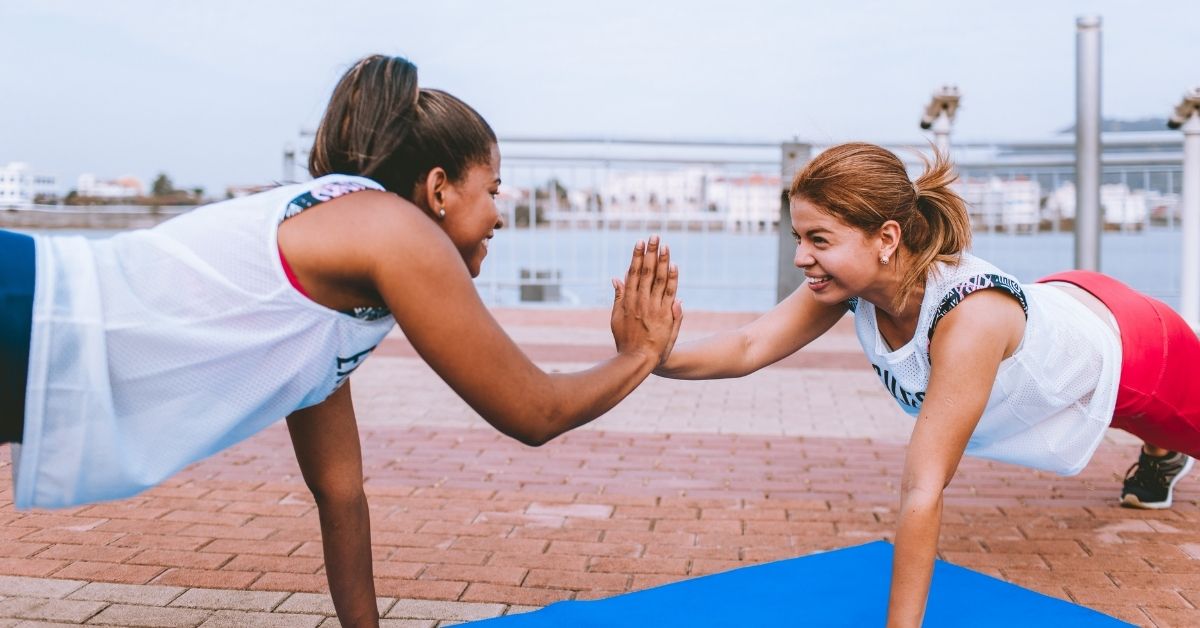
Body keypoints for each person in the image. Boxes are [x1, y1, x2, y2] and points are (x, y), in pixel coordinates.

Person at [0, 54, 682, 628]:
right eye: (493, 188)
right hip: (30, 313)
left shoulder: (335, 284)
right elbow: (533, 412)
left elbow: (341, 492)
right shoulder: (391, 229)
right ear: (439, 188)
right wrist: (640, 354)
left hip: (31, 336)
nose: (501, 215)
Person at [654, 142, 1199, 627]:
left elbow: (923, 487)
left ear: (886, 238)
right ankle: (1161, 448)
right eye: (798, 236)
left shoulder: (970, 318)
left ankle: (1163, 449)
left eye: (818, 238)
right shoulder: (850, 283)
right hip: (1064, 300)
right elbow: (750, 346)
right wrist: (651, 355)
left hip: (1135, 348)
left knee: (1169, 422)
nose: (801, 257)